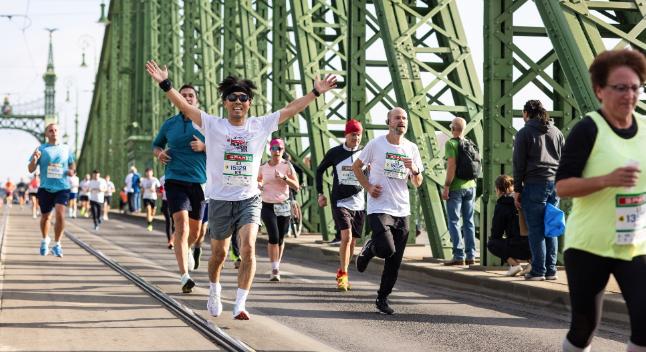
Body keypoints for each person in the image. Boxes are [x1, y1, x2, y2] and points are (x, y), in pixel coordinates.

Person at [145, 59, 336, 320]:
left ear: (249, 103)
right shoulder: (213, 125)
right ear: (225, 102)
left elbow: (291, 109)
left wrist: (315, 92)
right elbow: (184, 106)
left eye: (243, 98)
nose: (238, 101)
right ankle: (214, 289)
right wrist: (165, 83)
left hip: (249, 198)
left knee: (247, 247)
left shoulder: (259, 125)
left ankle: (240, 303)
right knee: (220, 254)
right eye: (232, 97)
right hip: (221, 199)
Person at [555, 49, 646, 352]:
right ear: (599, 90)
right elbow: (563, 187)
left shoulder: (645, 130)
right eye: (620, 88)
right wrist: (607, 180)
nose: (629, 95)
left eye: (635, 87)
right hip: (589, 246)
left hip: (634, 245)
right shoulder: (588, 129)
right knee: (584, 327)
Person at [352, 107, 424, 315]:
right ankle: (370, 248)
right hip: (379, 206)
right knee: (386, 249)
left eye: (404, 118)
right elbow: (357, 167)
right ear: (388, 122)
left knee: (395, 260)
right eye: (397, 118)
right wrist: (368, 187)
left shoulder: (411, 148)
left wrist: (415, 170)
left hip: (402, 208)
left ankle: (382, 298)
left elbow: (417, 183)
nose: (401, 121)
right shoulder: (376, 144)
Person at [151, 83, 206, 293]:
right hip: (174, 180)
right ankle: (185, 277)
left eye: (191, 95)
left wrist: (204, 147)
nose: (187, 98)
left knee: (197, 231)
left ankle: (189, 249)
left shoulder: (205, 123)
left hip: (198, 183)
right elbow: (156, 145)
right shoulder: (169, 124)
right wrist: (159, 154)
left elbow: (223, 146)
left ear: (197, 100)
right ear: (176, 98)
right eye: (183, 95)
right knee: (181, 225)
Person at [512, 99, 564, 281]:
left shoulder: (524, 133)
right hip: (554, 183)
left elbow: (519, 164)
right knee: (550, 227)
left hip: (534, 183)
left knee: (535, 229)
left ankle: (538, 271)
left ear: (526, 114)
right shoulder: (557, 132)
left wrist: (517, 189)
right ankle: (551, 270)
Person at [316, 119, 366, 291]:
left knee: (353, 242)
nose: (356, 138)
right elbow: (319, 170)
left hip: (359, 202)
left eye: (359, 135)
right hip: (340, 201)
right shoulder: (335, 153)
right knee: (346, 237)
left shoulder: (365, 152)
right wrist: (320, 193)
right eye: (353, 135)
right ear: (346, 134)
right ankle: (343, 275)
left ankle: (343, 271)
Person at [27, 123, 75, 257]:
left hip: (63, 187)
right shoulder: (41, 149)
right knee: (46, 217)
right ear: (46, 134)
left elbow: (72, 164)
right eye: (50, 131)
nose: (53, 132)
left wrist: (72, 171)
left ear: (59, 132)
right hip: (45, 188)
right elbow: (31, 169)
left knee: (60, 213)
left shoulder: (66, 149)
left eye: (55, 130)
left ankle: (58, 244)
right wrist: (35, 159)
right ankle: (44, 240)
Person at [258, 138, 300, 281]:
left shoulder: (287, 166)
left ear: (283, 151)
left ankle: (277, 264)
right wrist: (259, 184)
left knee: (281, 238)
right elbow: (258, 180)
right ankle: (274, 268)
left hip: (284, 205)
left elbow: (296, 186)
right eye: (274, 148)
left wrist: (284, 178)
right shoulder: (263, 167)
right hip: (267, 205)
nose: (276, 151)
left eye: (279, 149)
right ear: (270, 150)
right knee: (274, 237)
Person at [442, 116, 478, 265]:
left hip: (456, 188)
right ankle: (471, 256)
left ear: (453, 129)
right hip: (471, 187)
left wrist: (446, 186)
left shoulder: (451, 143)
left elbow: (451, 167)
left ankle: (458, 256)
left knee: (454, 221)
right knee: (469, 222)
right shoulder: (470, 143)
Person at [486, 175, 531, 276]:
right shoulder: (526, 198)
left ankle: (515, 265)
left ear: (498, 189)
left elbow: (496, 232)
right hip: (535, 246)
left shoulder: (502, 204)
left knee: (492, 243)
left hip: (520, 247)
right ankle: (533, 263)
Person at [141, 168, 161, 232]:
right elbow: (142, 188)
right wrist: (142, 190)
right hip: (146, 197)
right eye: (147, 172)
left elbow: (160, 188)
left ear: (152, 173)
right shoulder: (143, 180)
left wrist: (155, 190)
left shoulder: (155, 179)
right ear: (146, 173)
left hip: (153, 197)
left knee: (153, 213)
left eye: (150, 172)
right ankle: (149, 225)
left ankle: (150, 222)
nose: (149, 173)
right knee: (148, 209)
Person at [159, 175, 175, 249]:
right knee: (169, 221)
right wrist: (160, 192)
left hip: (176, 202)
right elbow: (160, 190)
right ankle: (170, 241)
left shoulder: (177, 175)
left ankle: (174, 240)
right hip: (165, 202)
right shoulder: (162, 178)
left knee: (175, 223)